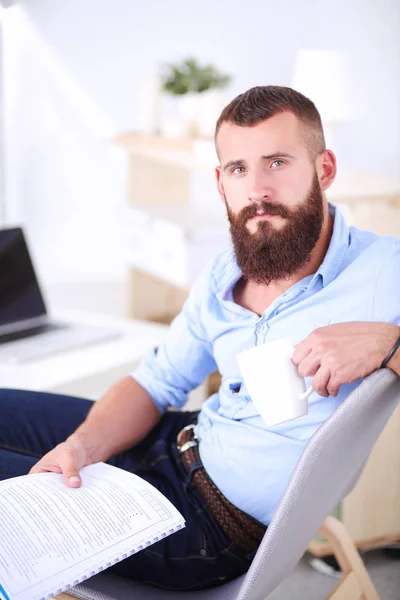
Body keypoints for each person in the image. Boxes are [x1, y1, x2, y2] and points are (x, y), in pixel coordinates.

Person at [1, 85, 399, 592]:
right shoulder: (225, 272)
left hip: (207, 527)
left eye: (277, 162)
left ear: (324, 169)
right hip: (176, 440)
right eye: (238, 169)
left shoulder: (384, 269)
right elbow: (156, 383)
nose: (257, 189)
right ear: (220, 181)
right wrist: (82, 446)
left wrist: (389, 344)